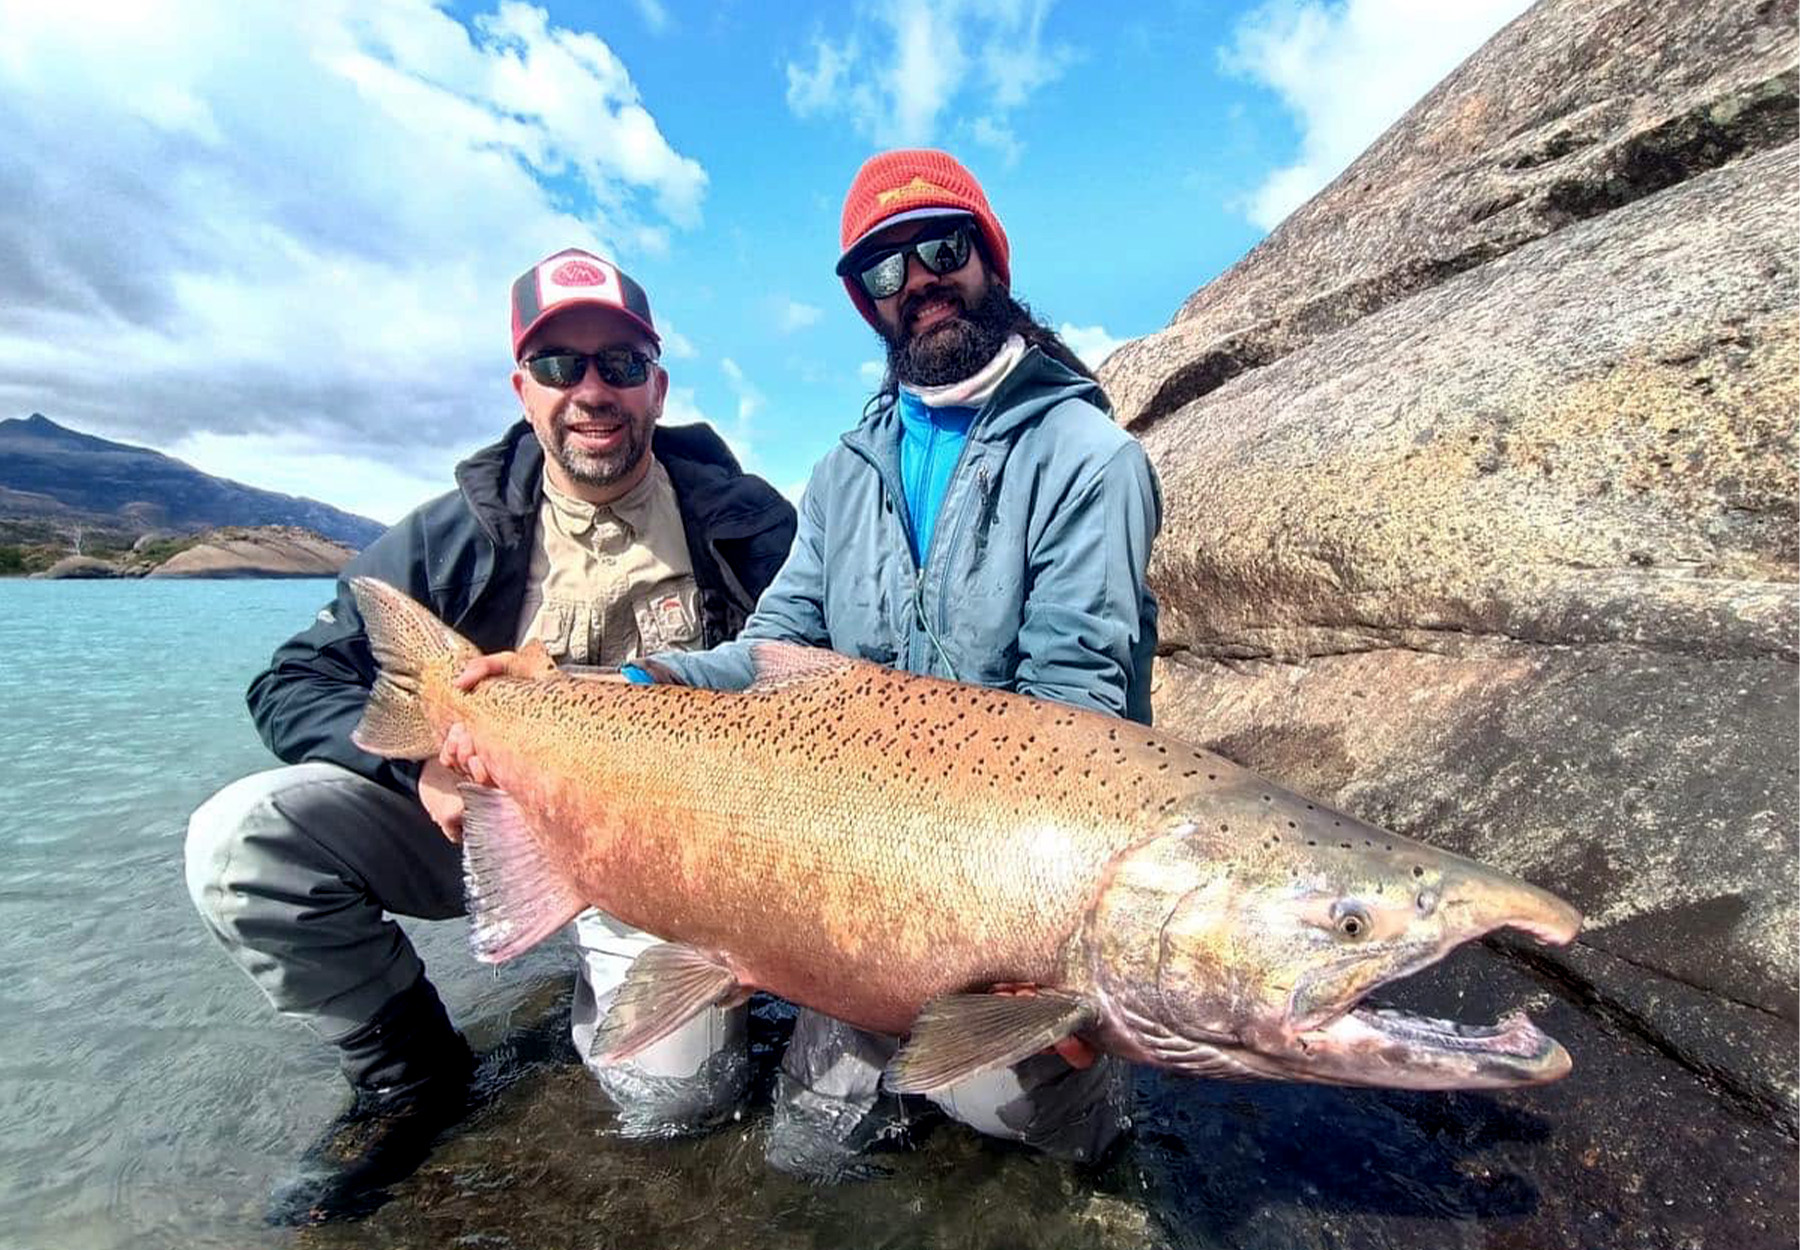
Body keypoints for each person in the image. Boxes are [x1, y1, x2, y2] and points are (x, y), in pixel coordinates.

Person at [457, 149, 1163, 1177]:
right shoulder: (843, 471)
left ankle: (1086, 1107)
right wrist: (613, 691)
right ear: (865, 302)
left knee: (1035, 1130)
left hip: (1005, 890)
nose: (917, 281)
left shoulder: (1088, 460)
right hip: (856, 880)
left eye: (941, 247)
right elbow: (767, 652)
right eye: (884, 269)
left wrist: (1045, 953)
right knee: (802, 1152)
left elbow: (1078, 719)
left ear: (990, 258)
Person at [183, 247, 796, 1224]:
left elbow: (822, 682)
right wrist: (422, 758)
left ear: (658, 384)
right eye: (560, 365)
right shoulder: (450, 533)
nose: (591, 390)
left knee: (679, 1103)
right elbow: (293, 679)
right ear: (523, 387)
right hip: (481, 828)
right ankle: (411, 1077)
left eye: (620, 364)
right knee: (242, 838)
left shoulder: (746, 522)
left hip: (673, 859)